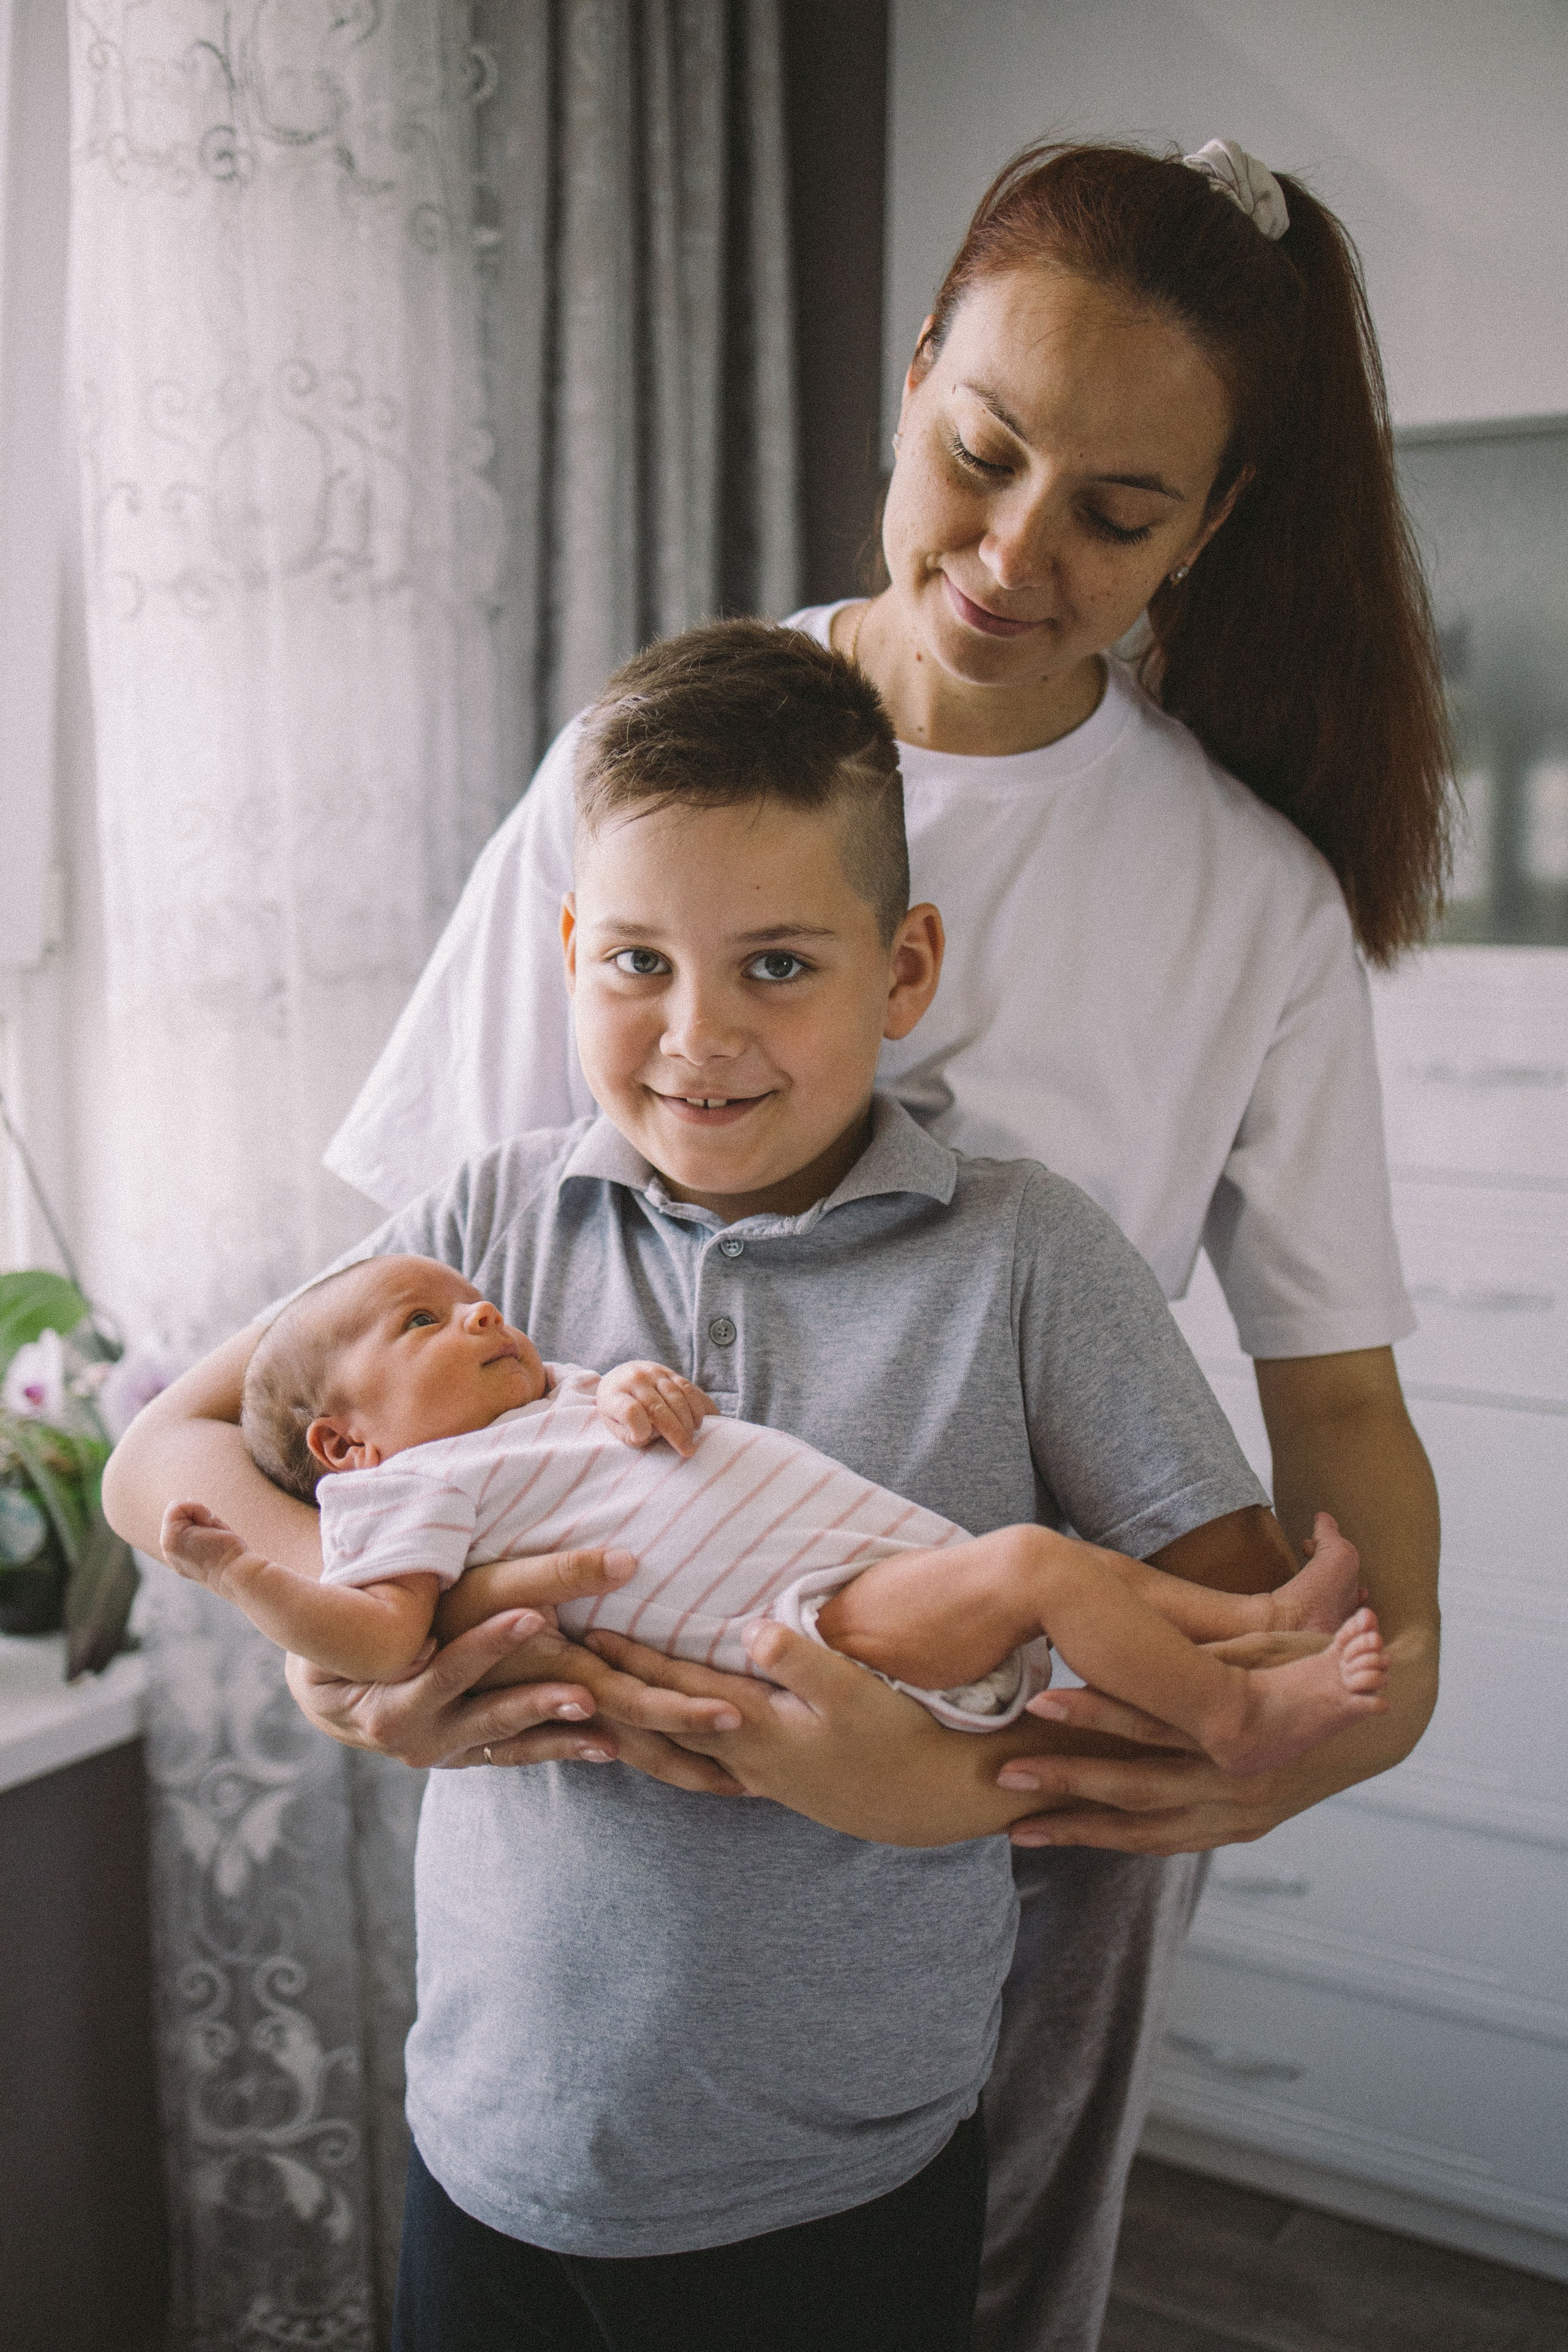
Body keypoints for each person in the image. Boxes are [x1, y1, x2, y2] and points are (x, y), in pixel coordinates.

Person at [118, 137, 1449, 2351]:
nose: (1018, 551)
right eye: (981, 450)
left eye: (1117, 514)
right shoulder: (642, 778)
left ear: (1210, 529)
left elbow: (1341, 1419)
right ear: (915, 375)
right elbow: (316, 1364)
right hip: (607, 1858)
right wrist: (350, 1646)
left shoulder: (1245, 908)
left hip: (1019, 1806)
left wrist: (1345, 1711)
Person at [110, 620, 1315, 2351]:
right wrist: (362, 1642)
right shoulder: (481, 1232)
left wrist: (945, 1787)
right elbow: (166, 1450)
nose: (695, 1039)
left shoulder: (1026, 1261)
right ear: (567, 956)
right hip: (488, 2145)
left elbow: (1240, 1667)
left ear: (902, 972)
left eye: (776, 968)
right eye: (635, 964)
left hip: (839, 2188)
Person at [158, 1251, 1384, 1765]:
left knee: (1082, 1578)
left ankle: (1259, 1622)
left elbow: (622, 1426)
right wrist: (251, 1581)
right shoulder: (403, 1491)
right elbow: (376, 1638)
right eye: (424, 1323)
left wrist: (635, 1385)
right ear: (344, 1442)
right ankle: (1233, 1718)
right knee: (1041, 1570)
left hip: (867, 1562)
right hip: (823, 1622)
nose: (479, 1315)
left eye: (475, 1301)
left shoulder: (540, 1402)